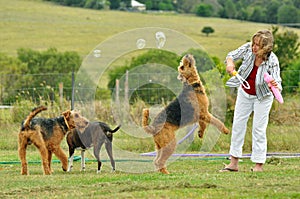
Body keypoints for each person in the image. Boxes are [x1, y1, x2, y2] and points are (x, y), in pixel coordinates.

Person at [220, 30, 282, 172]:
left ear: (266, 47)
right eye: (254, 44)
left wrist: (273, 83)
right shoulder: (248, 49)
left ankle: (258, 165)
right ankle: (233, 163)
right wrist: (230, 64)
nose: (254, 47)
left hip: (263, 97)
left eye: (258, 45)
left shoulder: (272, 61)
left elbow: (277, 82)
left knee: (258, 129)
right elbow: (231, 55)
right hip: (245, 93)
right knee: (238, 125)